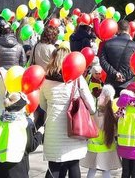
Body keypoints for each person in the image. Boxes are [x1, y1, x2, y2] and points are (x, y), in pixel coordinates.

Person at [39, 47, 96, 178]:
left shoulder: (45, 81)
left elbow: (43, 105)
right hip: (74, 128)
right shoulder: (77, 79)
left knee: (54, 166)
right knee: (73, 164)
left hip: (53, 129)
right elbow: (91, 106)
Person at [0, 92, 43, 178]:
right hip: (19, 168)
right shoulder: (24, 123)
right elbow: (31, 146)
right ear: (21, 107)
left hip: (0, 167)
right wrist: (40, 133)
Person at [81, 85, 120, 178]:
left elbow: (89, 128)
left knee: (92, 169)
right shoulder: (112, 116)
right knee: (106, 170)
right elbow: (115, 132)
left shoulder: (95, 114)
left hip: (93, 147)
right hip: (107, 147)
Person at [99, 20, 135, 96]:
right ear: (129, 30)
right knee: (124, 107)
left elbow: (102, 61)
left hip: (110, 83)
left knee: (109, 107)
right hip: (128, 84)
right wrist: (125, 75)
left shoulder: (108, 43)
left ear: (118, 29)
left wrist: (115, 74)